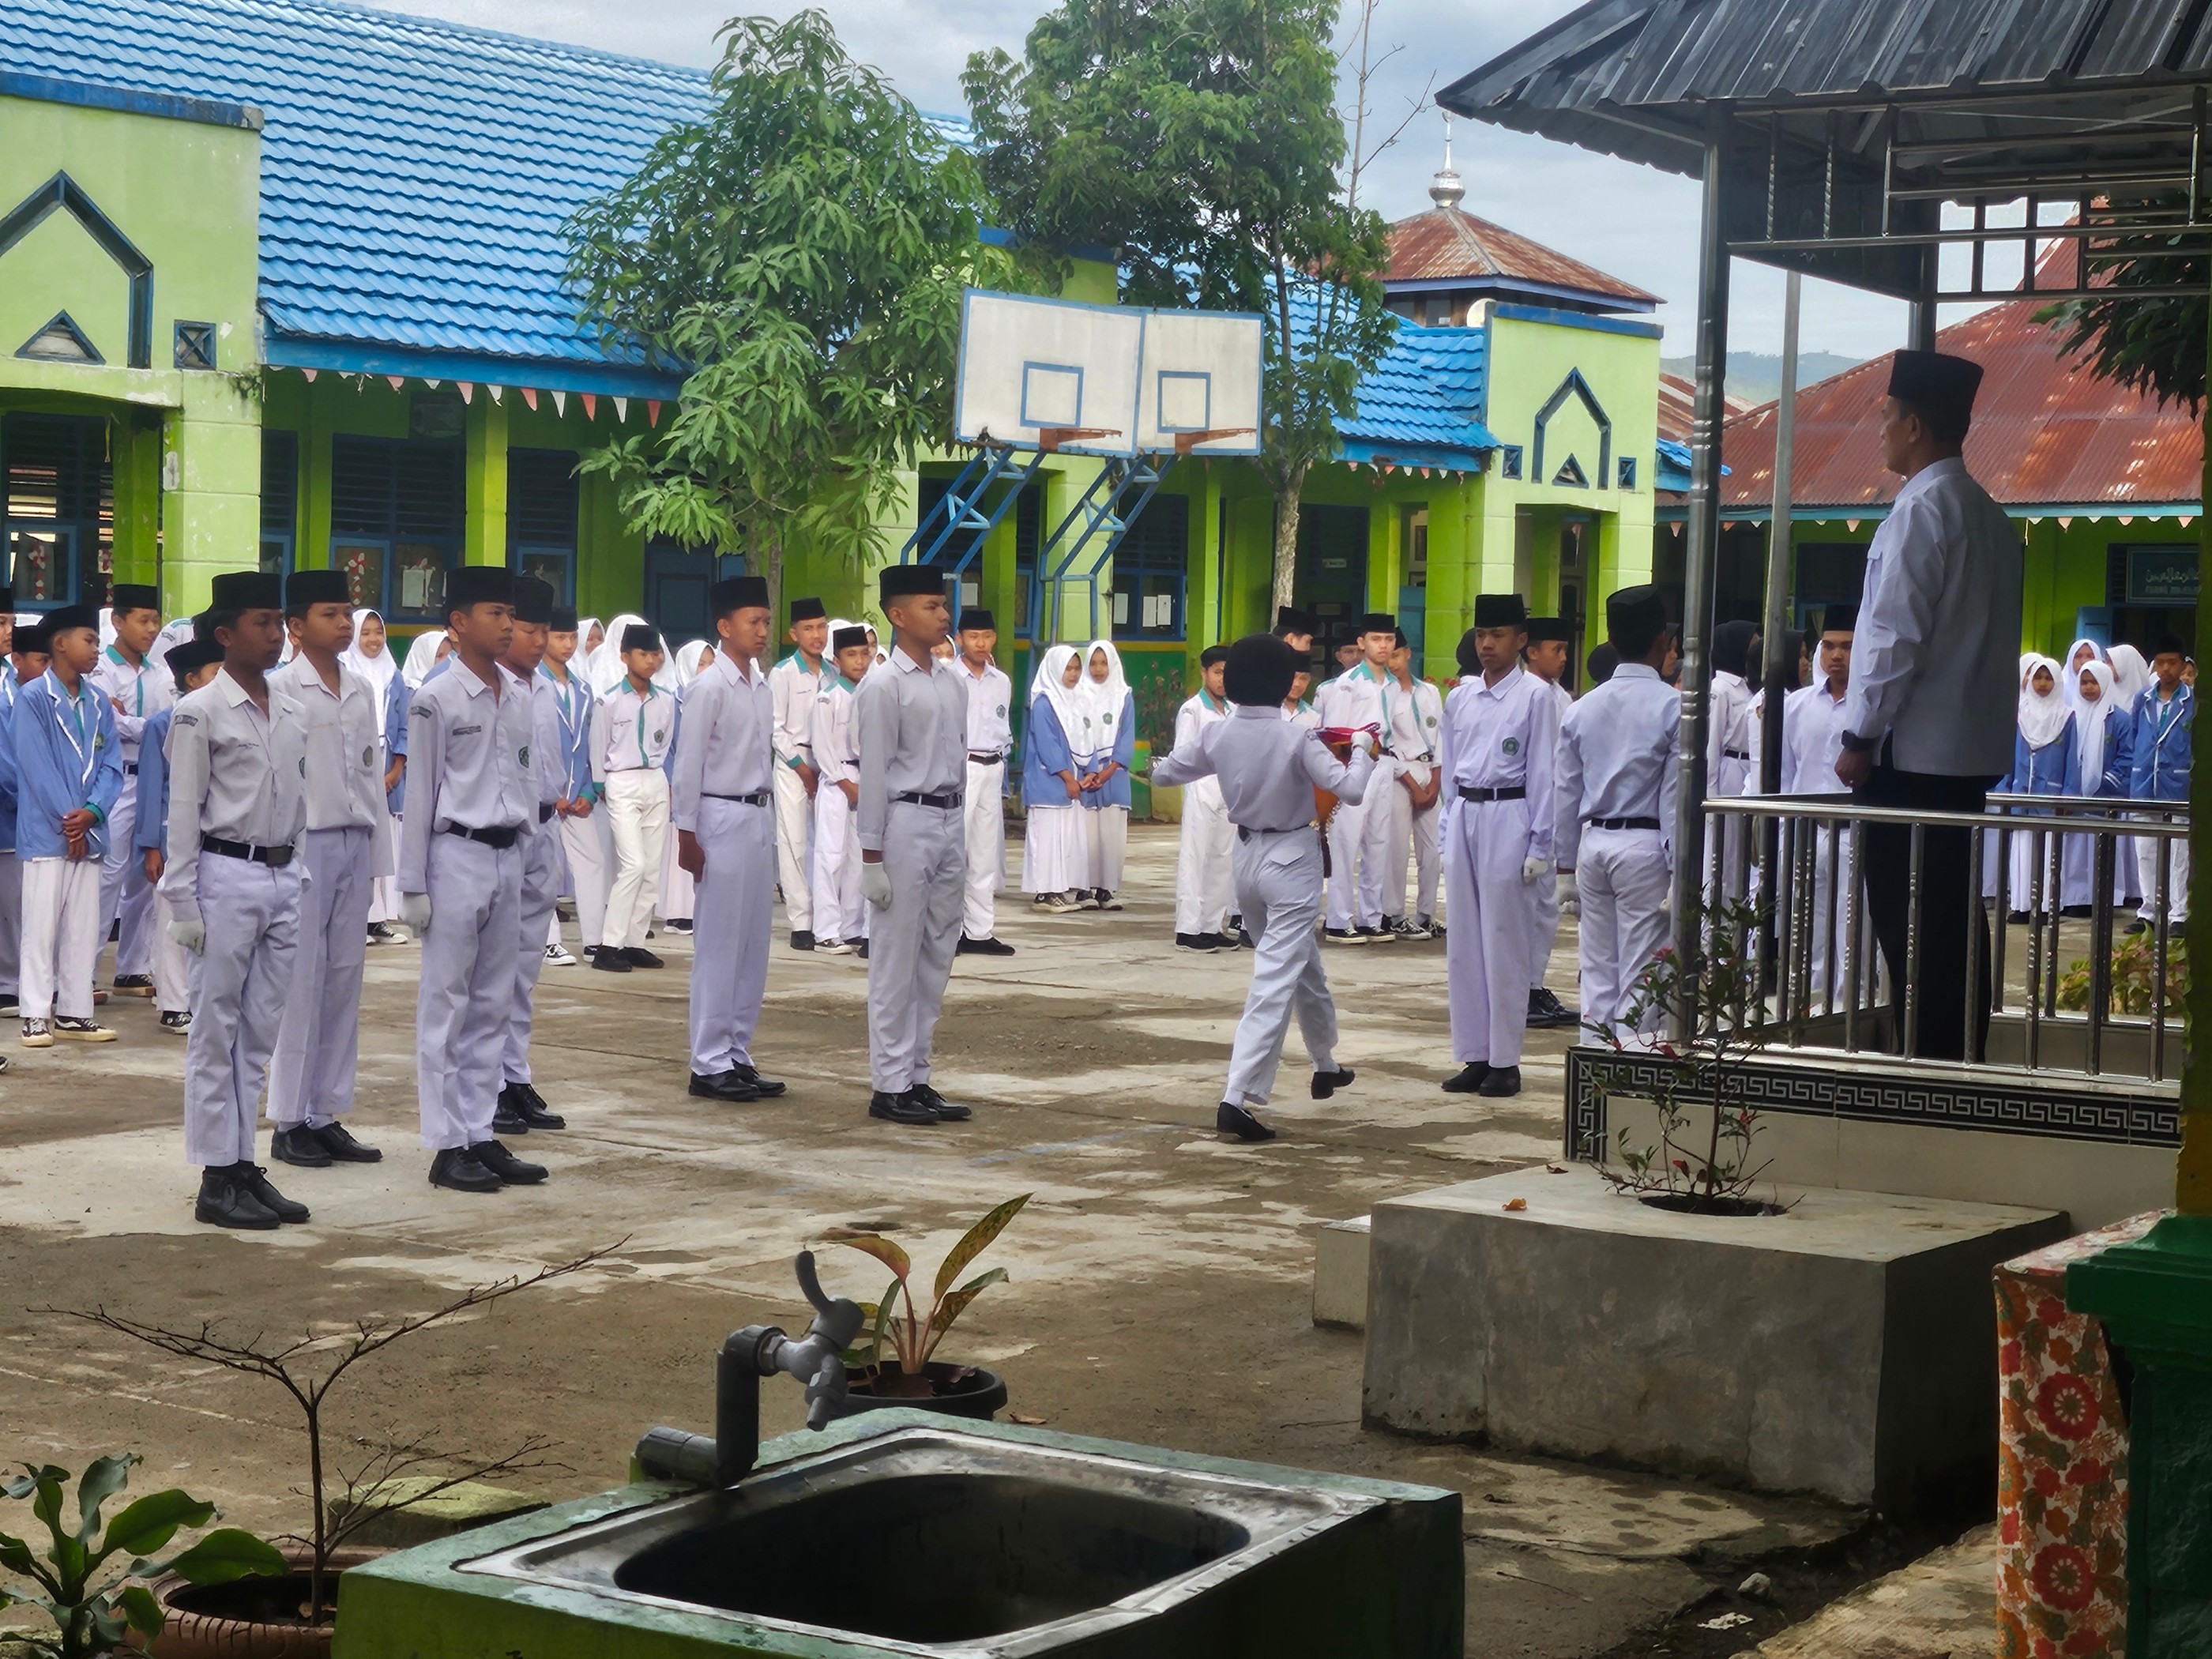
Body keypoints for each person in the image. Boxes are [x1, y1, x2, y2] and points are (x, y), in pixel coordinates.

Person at [1832, 349, 2023, 1063]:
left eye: (1886, 416)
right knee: (1954, 918)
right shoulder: (1988, 514)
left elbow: (1893, 639)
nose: (1880, 430)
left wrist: (1859, 736)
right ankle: (1958, 1059)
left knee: (1912, 925)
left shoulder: (1919, 511)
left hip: (1910, 761)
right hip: (1966, 759)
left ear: (1914, 426)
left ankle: (1931, 1069)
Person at [1153, 634, 1379, 1142]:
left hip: (1247, 860)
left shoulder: (1218, 733)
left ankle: (1325, 1063)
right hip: (1292, 859)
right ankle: (1237, 1096)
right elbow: (1351, 789)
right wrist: (1363, 751)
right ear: (1282, 683)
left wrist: (1159, 764)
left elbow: (1165, 774)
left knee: (1302, 965)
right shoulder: (1297, 737)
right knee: (1275, 978)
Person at [160, 573, 310, 1228]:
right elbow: (182, 813)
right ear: (225, 634)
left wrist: (298, 872)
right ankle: (215, 1176)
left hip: (281, 875)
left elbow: (298, 799)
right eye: (262, 623)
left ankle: (243, 1162)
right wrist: (183, 904)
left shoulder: (290, 708)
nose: (275, 635)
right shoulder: (201, 711)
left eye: (279, 622)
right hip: (225, 874)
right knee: (215, 1030)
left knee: (258, 1033)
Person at [397, 566, 546, 1194]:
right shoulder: (436, 699)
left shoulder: (518, 696)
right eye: (495, 613)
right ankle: (445, 1142)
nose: (508, 624)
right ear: (459, 622)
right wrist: (412, 885)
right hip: (455, 854)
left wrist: (529, 858)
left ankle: (480, 1131)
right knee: (447, 1004)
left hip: (507, 854)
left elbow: (525, 781)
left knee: (493, 1002)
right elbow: (421, 795)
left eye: (511, 613)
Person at [260, 572, 391, 1170]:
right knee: (301, 982)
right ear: (296, 626)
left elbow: (370, 774)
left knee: (344, 980)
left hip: (354, 840)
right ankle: (289, 1119)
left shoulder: (360, 687)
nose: (343, 624)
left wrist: (380, 860)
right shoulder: (281, 687)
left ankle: (326, 1112)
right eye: (330, 614)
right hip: (306, 844)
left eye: (347, 613)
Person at [854, 565, 975, 1127]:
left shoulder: (952, 682)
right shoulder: (884, 685)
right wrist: (871, 856)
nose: (944, 614)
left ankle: (917, 1076)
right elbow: (875, 773)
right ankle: (889, 1084)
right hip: (906, 820)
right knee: (895, 957)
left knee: (936, 954)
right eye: (931, 605)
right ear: (898, 615)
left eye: (943, 604)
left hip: (949, 818)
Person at [672, 575, 787, 1104]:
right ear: (724, 627)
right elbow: (688, 764)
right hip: (719, 813)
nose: (763, 630)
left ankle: (737, 1050)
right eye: (753, 621)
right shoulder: (709, 687)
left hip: (758, 815)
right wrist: (686, 833)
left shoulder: (760, 685)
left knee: (752, 944)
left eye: (766, 621)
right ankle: (708, 1060)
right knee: (719, 943)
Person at [1439, 594, 1557, 1099]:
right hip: (1466, 811)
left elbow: (1546, 774)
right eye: (1482, 635)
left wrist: (1540, 845)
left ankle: (1506, 1061)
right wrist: (1447, 829)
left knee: (1503, 941)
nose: (1487, 644)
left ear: (1521, 640)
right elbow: (1449, 766)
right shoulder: (1461, 697)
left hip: (1510, 813)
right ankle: (1476, 1054)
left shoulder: (1535, 696)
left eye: (1499, 635)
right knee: (1465, 943)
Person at [1553, 588, 1679, 1036]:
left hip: (1594, 844)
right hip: (1646, 846)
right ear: (1662, 641)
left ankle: (1594, 1063)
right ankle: (1632, 1064)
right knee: (1643, 972)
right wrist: (1679, 868)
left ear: (1611, 638)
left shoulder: (1582, 708)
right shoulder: (1673, 706)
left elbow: (1565, 793)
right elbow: (1674, 798)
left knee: (1597, 970)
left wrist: (1564, 867)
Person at [15, 604, 121, 1047]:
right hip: (48, 832)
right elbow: (36, 767)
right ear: (60, 644)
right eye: (89, 640)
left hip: (89, 830)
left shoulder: (99, 702)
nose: (96, 649)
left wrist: (93, 811)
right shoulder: (33, 698)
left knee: (83, 925)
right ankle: (36, 1013)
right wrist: (71, 822)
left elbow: (112, 765)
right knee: (41, 927)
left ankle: (76, 1011)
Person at [488, 577, 571, 1137]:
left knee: (524, 968)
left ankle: (514, 1075)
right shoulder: (487, 688)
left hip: (545, 826)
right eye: (529, 630)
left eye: (545, 631)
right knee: (492, 969)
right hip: (505, 833)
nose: (539, 641)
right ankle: (489, 1083)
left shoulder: (544, 688)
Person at [136, 634, 222, 1038]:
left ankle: (199, 1000)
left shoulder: (224, 716)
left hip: (213, 837)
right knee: (172, 920)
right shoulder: (162, 723)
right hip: (171, 836)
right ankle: (173, 1003)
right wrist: (151, 845)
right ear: (192, 679)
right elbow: (152, 787)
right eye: (216, 672)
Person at [1780, 604, 1868, 994]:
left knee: (1853, 933)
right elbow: (1786, 773)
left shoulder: (1871, 709)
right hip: (1807, 832)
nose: (1836, 655)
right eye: (1829, 646)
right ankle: (1809, 1007)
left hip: (1854, 833)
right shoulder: (1797, 706)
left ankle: (1851, 1010)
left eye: (1847, 647)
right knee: (1807, 930)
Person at [90, 583, 170, 1000]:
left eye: (155, 620)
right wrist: (149, 725)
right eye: (143, 620)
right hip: (118, 780)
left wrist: (140, 724)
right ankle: (83, 972)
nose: (152, 629)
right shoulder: (101, 669)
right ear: (118, 622)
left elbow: (170, 722)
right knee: (109, 874)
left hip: (152, 778)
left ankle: (133, 967)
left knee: (146, 874)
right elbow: (112, 722)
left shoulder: (161, 672)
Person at [590, 624, 672, 973]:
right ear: (625, 657)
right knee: (633, 865)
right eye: (643, 654)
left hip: (654, 778)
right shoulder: (608, 700)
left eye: (655, 654)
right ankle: (609, 944)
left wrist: (664, 782)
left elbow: (666, 743)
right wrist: (601, 784)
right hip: (621, 780)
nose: (651, 661)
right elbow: (598, 745)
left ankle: (635, 942)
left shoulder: (666, 700)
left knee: (652, 868)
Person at [1315, 612, 1401, 944]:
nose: (1384, 646)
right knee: (1345, 841)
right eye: (1376, 639)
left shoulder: (1393, 683)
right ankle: (1338, 919)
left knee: (1378, 842)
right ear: (1362, 643)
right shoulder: (1347, 683)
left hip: (1384, 762)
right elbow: (1336, 733)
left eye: (1389, 639)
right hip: (1354, 761)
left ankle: (1370, 917)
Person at [1519, 619, 1575, 1023]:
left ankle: (1534, 985)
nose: (1563, 657)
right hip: (1528, 811)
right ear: (1533, 652)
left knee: (1546, 910)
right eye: (1556, 649)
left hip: (1557, 810)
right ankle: (1521, 989)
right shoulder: (1527, 693)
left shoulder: (1561, 697)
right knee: (1526, 910)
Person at [540, 607, 600, 965]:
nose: (567, 644)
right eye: (560, 637)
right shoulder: (532, 684)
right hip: (547, 797)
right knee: (545, 868)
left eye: (572, 638)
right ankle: (548, 941)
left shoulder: (583, 688)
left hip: (578, 795)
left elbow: (590, 746)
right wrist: (551, 793)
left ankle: (594, 940)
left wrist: (589, 792)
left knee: (592, 862)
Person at [769, 597, 830, 949]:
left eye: (821, 626)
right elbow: (776, 729)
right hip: (793, 765)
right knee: (795, 842)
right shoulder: (783, 674)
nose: (817, 635)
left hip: (829, 766)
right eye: (808, 628)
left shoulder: (833, 672)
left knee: (828, 843)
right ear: (794, 634)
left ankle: (827, 917)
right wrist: (802, 769)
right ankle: (801, 922)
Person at [954, 609, 1015, 955]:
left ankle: (979, 931)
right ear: (959, 638)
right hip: (962, 766)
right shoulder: (949, 677)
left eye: (987, 636)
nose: (981, 643)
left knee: (984, 852)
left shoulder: (1001, 681)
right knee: (954, 851)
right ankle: (947, 931)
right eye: (973, 636)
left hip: (993, 766)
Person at [811, 624, 874, 956]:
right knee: (830, 857)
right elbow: (823, 749)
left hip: (866, 779)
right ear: (837, 660)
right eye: (851, 655)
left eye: (864, 654)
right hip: (838, 782)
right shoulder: (828, 697)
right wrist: (847, 784)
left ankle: (852, 928)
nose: (860, 661)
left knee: (858, 860)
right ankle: (825, 931)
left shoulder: (872, 693)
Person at [1172, 645, 1236, 952]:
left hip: (1228, 790)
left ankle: (1211, 926)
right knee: (1195, 858)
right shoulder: (1192, 710)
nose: (1223, 679)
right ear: (1204, 673)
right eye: (1217, 672)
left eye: (1227, 673)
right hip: (1201, 787)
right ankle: (1187, 929)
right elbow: (1182, 754)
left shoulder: (1234, 710)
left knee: (1222, 859)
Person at [1382, 631, 1445, 942]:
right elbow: (1388, 745)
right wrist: (1412, 784)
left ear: (1407, 653)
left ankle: (1426, 914)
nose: (1391, 662)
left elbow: (1442, 736)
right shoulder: (1386, 694)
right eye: (1387, 656)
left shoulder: (1429, 692)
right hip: (1400, 775)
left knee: (1433, 850)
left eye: (1396, 655)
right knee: (1396, 847)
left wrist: (1435, 780)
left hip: (1429, 771)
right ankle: (1394, 914)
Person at [2128, 634, 2192, 933]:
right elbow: (2135, 735)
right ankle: (2149, 913)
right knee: (2146, 851)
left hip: (2177, 785)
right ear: (2153, 664)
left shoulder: (2191, 701)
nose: (2166, 668)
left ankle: (2179, 915)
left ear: (2183, 665)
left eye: (2172, 662)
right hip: (2145, 783)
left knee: (2179, 854)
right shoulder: (2142, 699)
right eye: (2161, 662)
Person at [1021, 645, 1087, 912]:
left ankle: (1057, 890)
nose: (1073, 674)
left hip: (1070, 782)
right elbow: (1048, 747)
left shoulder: (1074, 700)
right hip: (1049, 782)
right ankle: (1044, 893)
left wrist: (1088, 772)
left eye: (1076, 668)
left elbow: (1085, 739)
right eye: (1067, 669)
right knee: (1047, 838)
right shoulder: (1044, 703)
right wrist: (1068, 778)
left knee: (1063, 838)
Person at [0, 609, 40, 1020]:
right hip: (14, 807)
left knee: (16, 903)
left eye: (11, 622)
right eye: (0, 623)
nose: (8, 632)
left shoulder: (17, 692)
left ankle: (14, 982)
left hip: (20, 814)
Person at [1075, 640, 1134, 910]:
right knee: (1087, 833)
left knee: (1111, 834)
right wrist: (1090, 769)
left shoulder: (1123, 695)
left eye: (1103, 663)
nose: (1098, 669)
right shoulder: (1078, 694)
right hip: (1086, 772)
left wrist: (1109, 770)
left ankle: (1106, 890)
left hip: (1114, 772)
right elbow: (1077, 732)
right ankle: (1083, 888)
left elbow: (1126, 736)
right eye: (1093, 664)